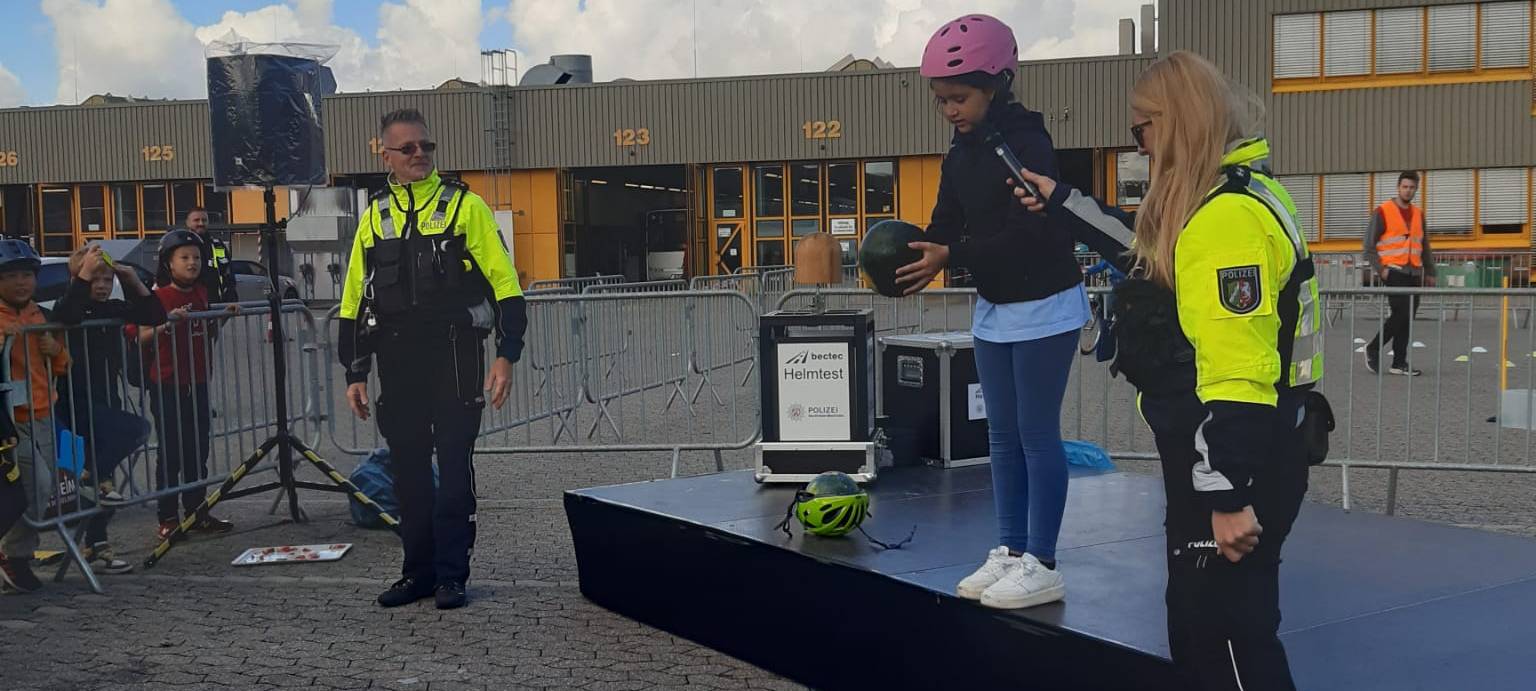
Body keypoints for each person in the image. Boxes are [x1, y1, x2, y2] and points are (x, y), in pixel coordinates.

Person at [1011, 51, 1322, 690]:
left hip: (1236, 460)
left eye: (1142, 129)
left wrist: (1227, 494)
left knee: (1222, 638)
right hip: (1248, 449)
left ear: (1176, 123)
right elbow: (1148, 255)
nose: (1140, 146)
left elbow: (1238, 370)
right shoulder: (1234, 198)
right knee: (1221, 630)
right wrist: (1063, 202)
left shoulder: (1226, 221)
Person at [897, 14, 1089, 610]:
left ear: (997, 85)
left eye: (960, 97)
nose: (950, 110)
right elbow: (945, 222)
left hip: (1047, 306)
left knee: (1036, 434)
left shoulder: (1026, 145)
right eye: (941, 100)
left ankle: (1043, 562)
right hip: (996, 308)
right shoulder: (960, 153)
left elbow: (1026, 236)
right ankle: (1010, 549)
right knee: (1001, 438)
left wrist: (953, 255)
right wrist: (915, 254)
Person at [337, 108, 527, 610]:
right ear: (385, 155)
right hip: (398, 361)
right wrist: (355, 370)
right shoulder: (374, 215)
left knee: (454, 469)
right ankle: (416, 573)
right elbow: (355, 295)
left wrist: (506, 354)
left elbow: (505, 283)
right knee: (408, 473)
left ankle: (451, 575)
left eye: (426, 146)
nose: (419, 154)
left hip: (454, 356)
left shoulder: (466, 206)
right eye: (408, 148)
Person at [53, 243, 167, 574]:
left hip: (106, 400)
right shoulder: (70, 307)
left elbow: (154, 316)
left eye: (106, 280)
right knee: (135, 431)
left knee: (103, 486)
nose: (102, 286)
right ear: (77, 280)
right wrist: (83, 275)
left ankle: (96, 545)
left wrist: (132, 281)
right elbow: (66, 314)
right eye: (94, 280)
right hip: (73, 403)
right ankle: (90, 486)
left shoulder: (112, 308)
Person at [127, 230, 239, 543]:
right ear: (168, 263)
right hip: (167, 384)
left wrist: (222, 316)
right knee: (171, 452)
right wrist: (168, 324)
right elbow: (138, 335)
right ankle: (167, 517)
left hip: (198, 382)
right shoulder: (157, 298)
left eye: (196, 258)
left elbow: (207, 332)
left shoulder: (202, 292)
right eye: (184, 257)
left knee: (197, 450)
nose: (192, 263)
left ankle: (196, 512)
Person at [0, 239, 71, 593]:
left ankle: (16, 553)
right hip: (11, 421)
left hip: (44, 413)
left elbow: (62, 365)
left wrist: (55, 349)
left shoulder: (40, 315)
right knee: (36, 484)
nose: (20, 282)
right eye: (11, 276)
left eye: (26, 275)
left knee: (43, 488)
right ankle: (14, 555)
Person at [1362, 171, 1434, 376]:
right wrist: (1381, 270)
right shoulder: (1383, 211)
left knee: (1407, 317)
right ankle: (1373, 348)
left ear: (1416, 189)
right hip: (1393, 271)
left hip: (1414, 272)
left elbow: (1425, 245)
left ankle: (1399, 362)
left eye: (1412, 187)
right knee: (1401, 313)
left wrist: (1430, 270)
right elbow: (1368, 246)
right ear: (1398, 187)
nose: (1408, 191)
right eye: (1405, 187)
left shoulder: (1418, 214)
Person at [184, 206, 239, 304]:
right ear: (188, 223)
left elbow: (228, 271)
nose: (201, 223)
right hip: (190, 303)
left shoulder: (217, 245)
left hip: (217, 302)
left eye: (204, 220)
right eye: (196, 220)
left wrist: (231, 296)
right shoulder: (181, 246)